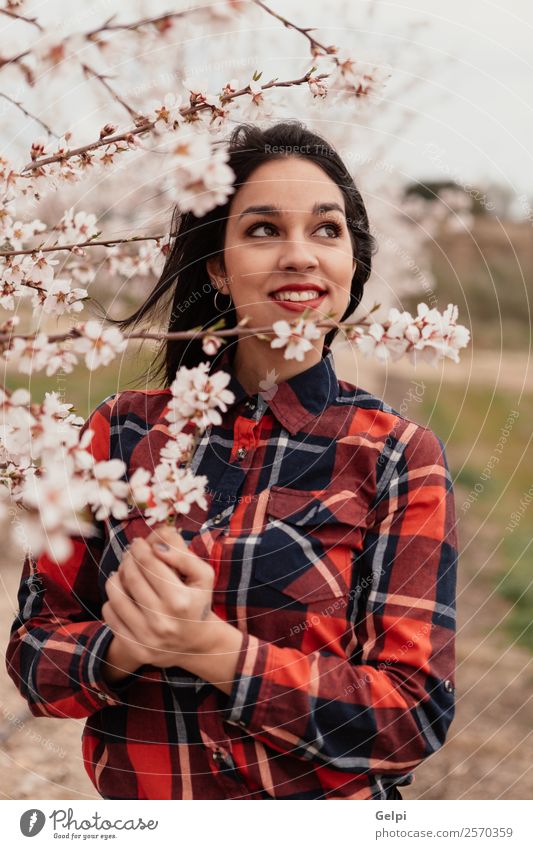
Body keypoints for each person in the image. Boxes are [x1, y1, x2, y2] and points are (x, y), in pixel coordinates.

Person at [6, 121, 458, 800]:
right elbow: (33, 657)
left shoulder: (395, 455)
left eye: (326, 230)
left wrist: (204, 645)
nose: (300, 256)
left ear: (353, 264)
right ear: (215, 264)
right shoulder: (118, 433)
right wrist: (124, 648)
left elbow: (408, 719)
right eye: (262, 230)